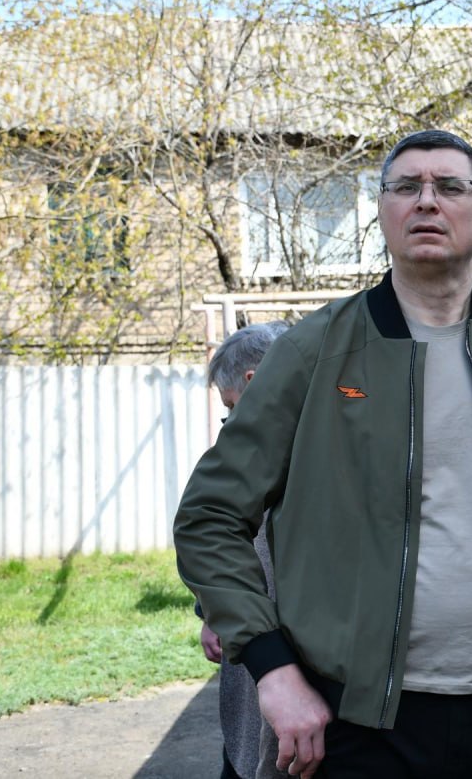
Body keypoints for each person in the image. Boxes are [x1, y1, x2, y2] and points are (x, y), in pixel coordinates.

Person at [173, 129, 472, 779]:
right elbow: (210, 515)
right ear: (382, 211)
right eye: (406, 187)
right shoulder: (315, 351)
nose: (426, 201)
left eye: (450, 186)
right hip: (352, 725)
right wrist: (272, 671)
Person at [198, 320, 290, 779]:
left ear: (253, 382)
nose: (229, 422)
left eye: (230, 407)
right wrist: (211, 611)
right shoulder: (244, 450)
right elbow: (214, 534)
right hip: (252, 646)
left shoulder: (300, 445)